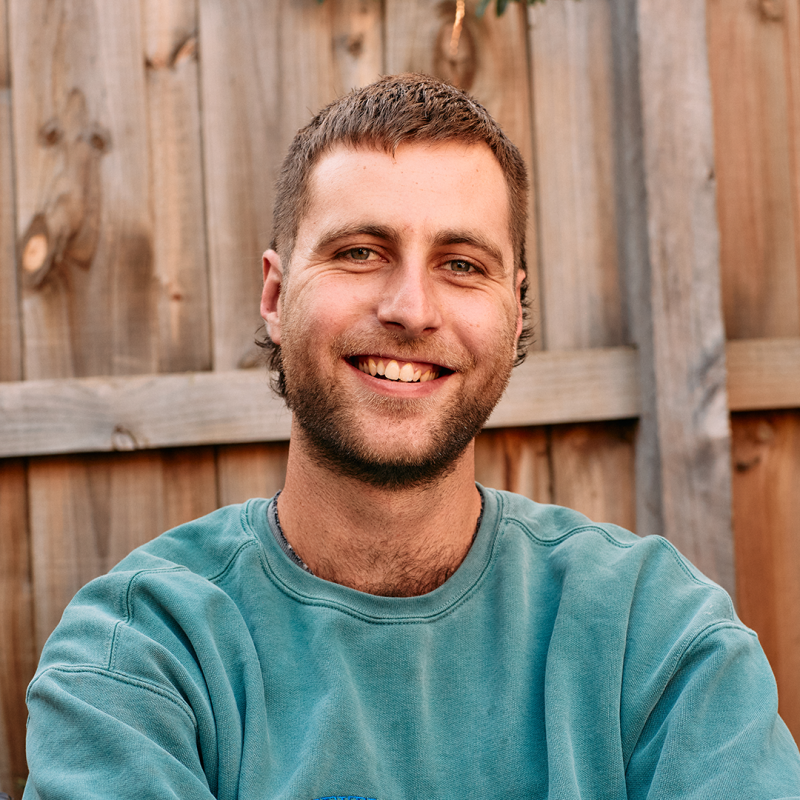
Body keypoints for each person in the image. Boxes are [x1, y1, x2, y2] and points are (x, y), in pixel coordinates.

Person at [23, 74, 800, 799]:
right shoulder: (144, 648)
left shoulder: (655, 635)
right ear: (275, 292)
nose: (411, 308)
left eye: (462, 264)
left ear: (516, 309)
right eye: (361, 252)